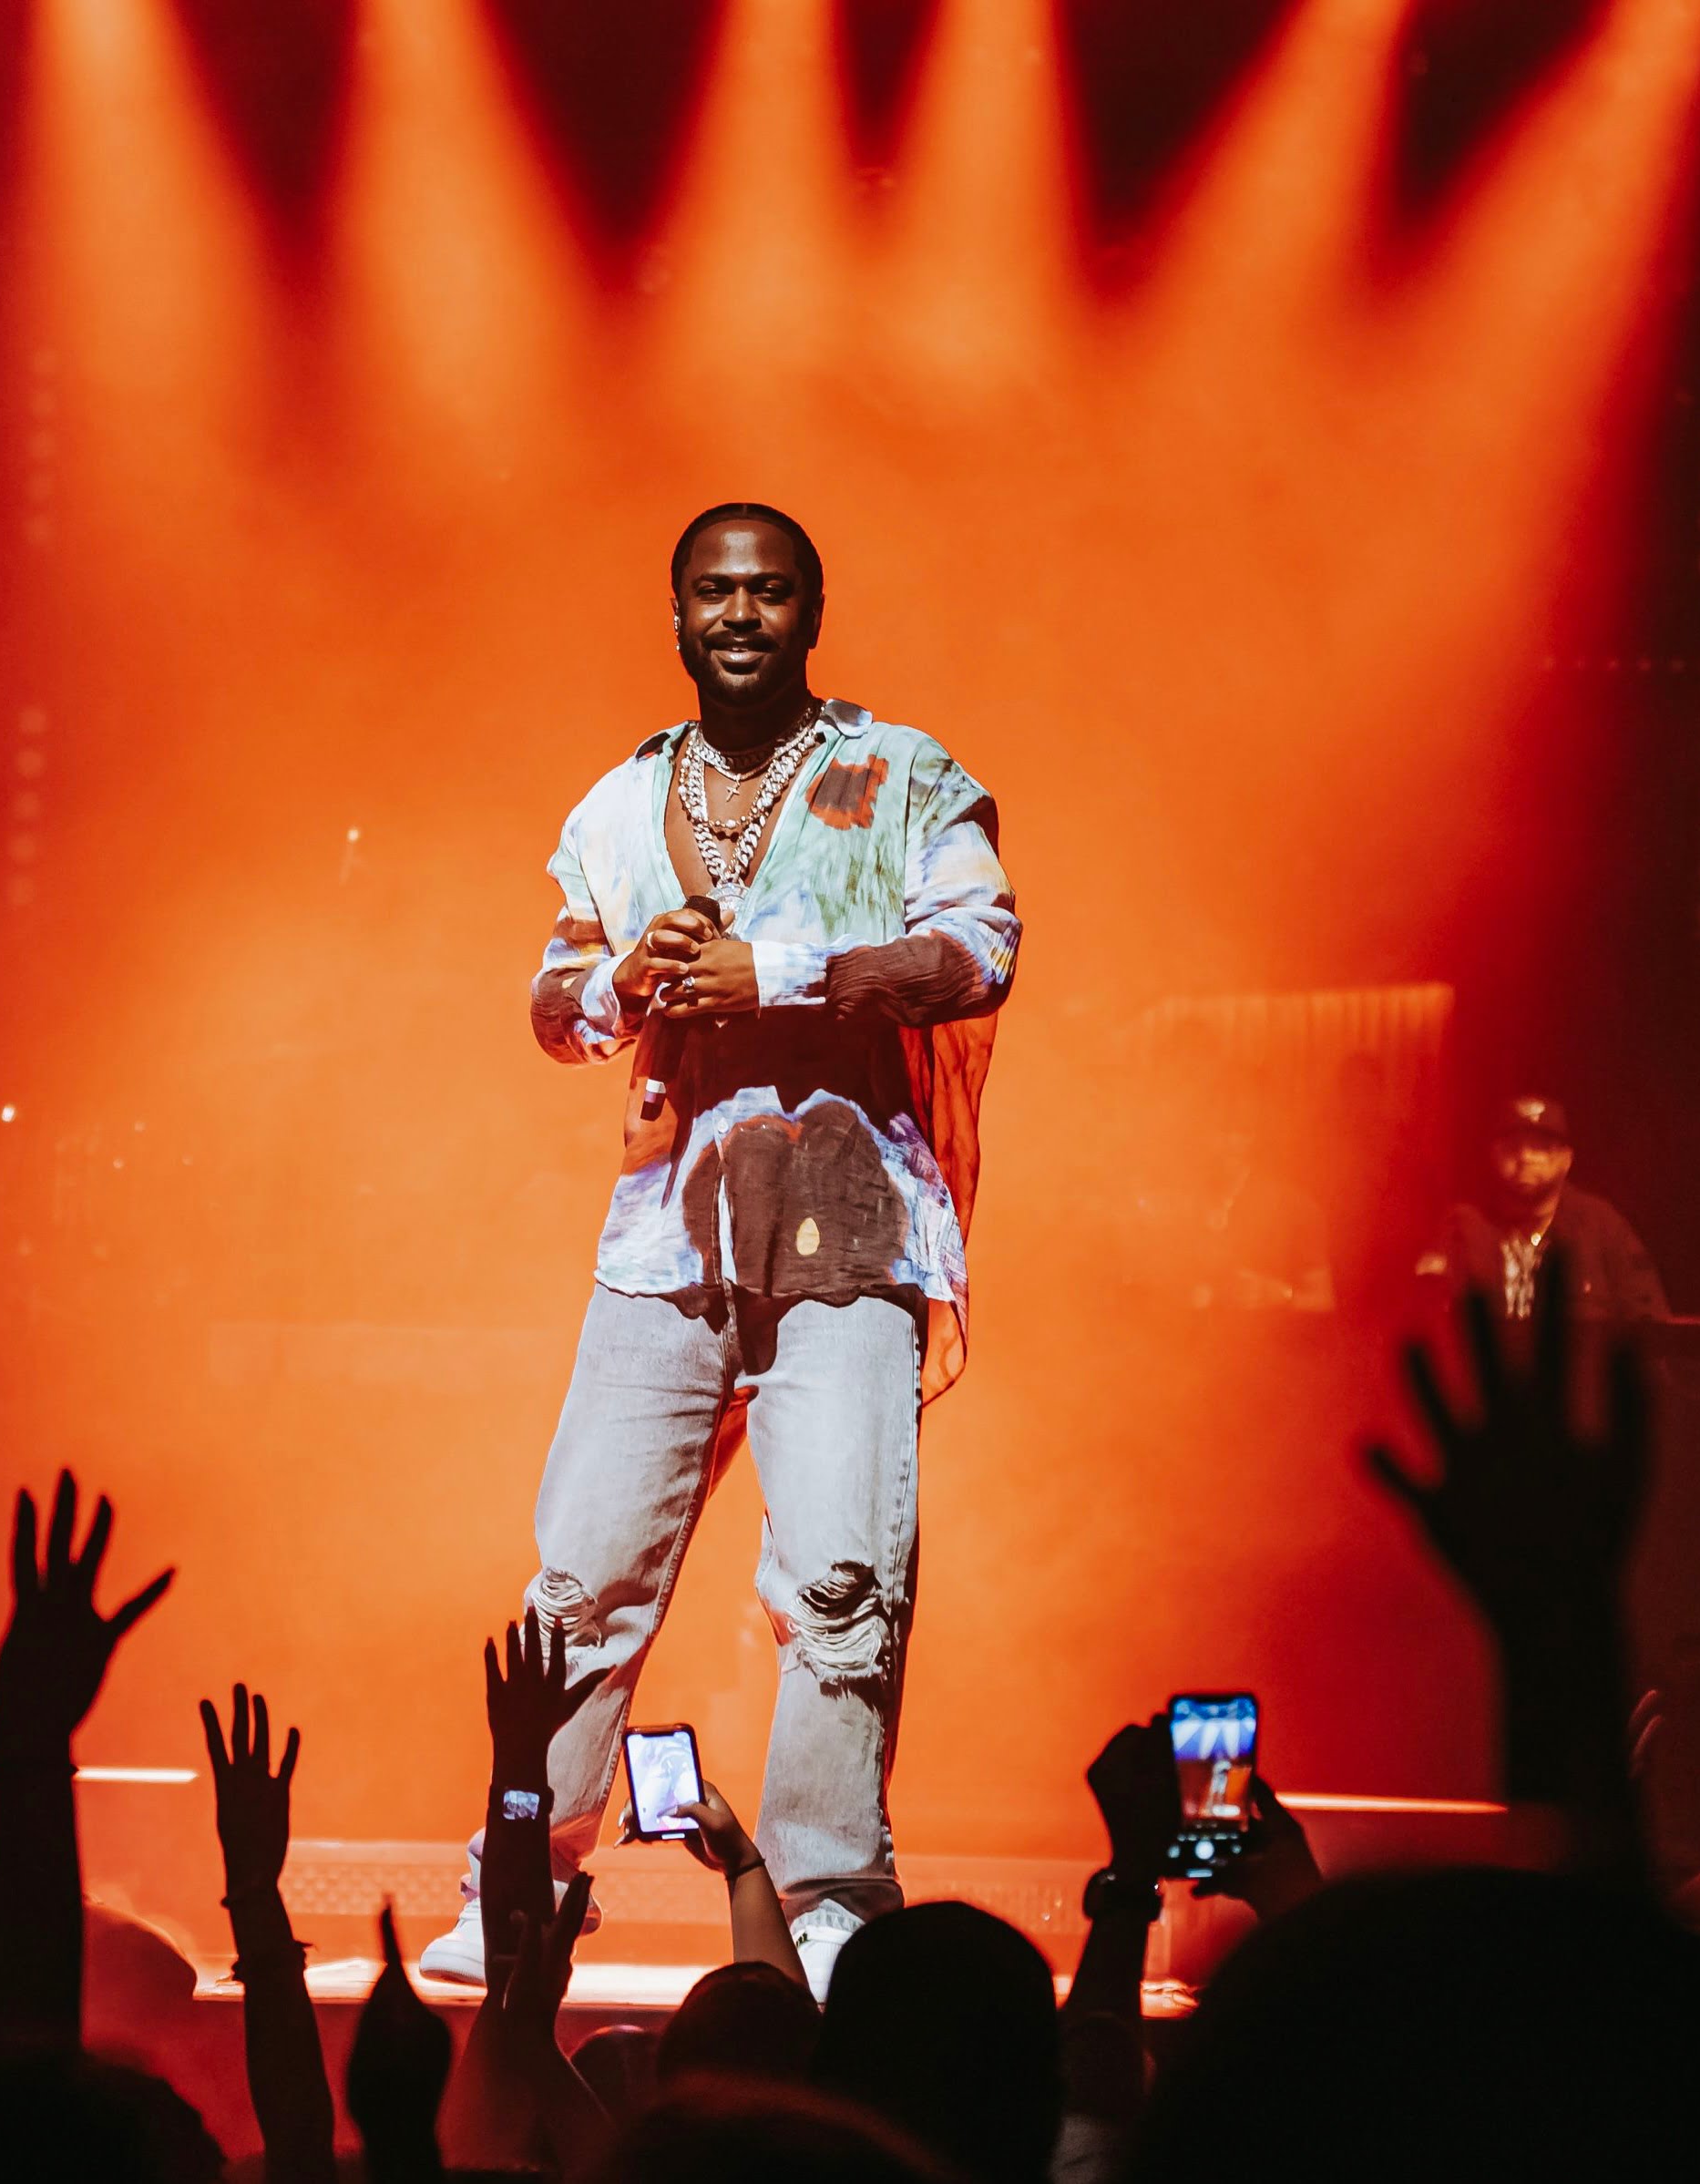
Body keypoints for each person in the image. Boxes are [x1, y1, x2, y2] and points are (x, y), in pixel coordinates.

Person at [422, 504, 1019, 1998]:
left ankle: (824, 1892)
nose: (740, 615)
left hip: (847, 1237)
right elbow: (554, 991)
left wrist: (788, 965)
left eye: (767, 592)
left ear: (811, 610)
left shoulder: (905, 776)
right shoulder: (620, 806)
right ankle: (521, 1878)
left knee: (834, 1580)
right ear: (677, 614)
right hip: (665, 1245)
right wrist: (606, 987)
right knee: (580, 1580)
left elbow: (976, 951)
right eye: (713, 592)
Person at [1417, 1094, 1666, 1322]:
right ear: (1494, 1155)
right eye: (1513, 1147)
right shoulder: (1464, 1227)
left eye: (1540, 1147)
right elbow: (1424, 1317)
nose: (1525, 1157)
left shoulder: (1603, 1229)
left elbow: (1650, 1324)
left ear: (1565, 1159)